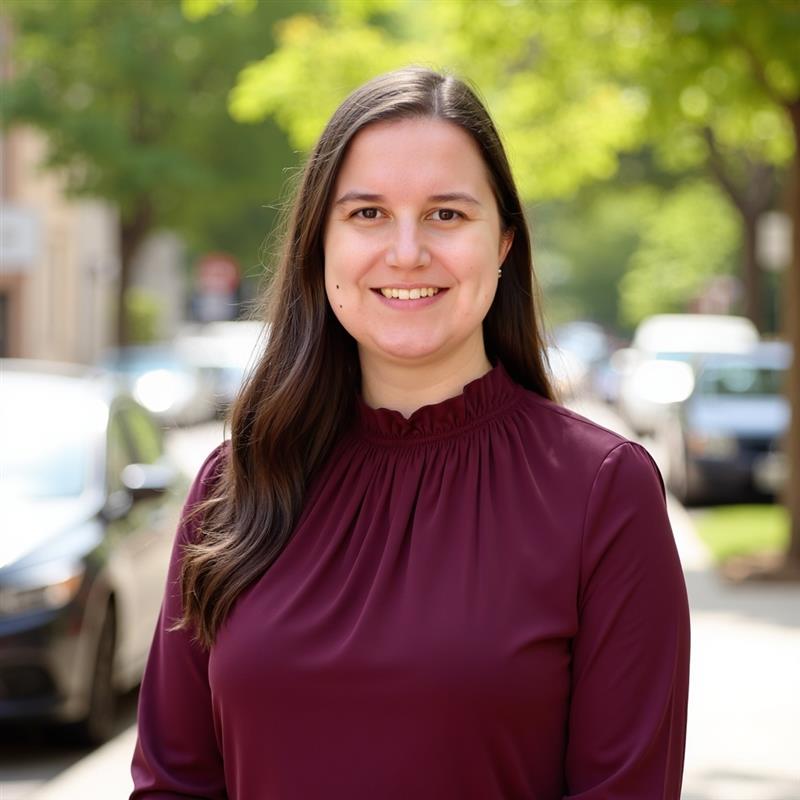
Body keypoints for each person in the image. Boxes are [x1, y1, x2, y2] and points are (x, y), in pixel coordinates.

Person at [131, 67, 690, 799]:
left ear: (504, 242)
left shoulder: (602, 491)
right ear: (319, 243)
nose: (405, 252)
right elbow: (172, 782)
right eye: (367, 213)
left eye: (446, 214)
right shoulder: (233, 484)